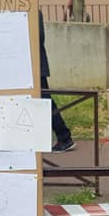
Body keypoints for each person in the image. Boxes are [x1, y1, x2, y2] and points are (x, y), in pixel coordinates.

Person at [39, 9, 76, 152]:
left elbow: (38, 37)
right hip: (34, 65)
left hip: (36, 67)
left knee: (45, 101)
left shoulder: (32, 12)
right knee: (43, 101)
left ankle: (64, 137)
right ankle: (62, 137)